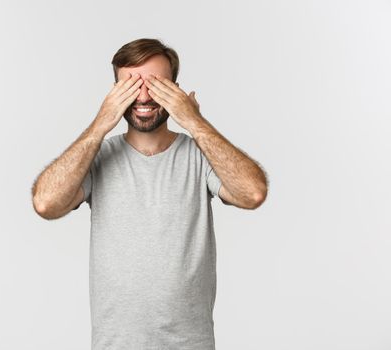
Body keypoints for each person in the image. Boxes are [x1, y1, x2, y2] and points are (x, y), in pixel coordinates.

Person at [31, 38, 268, 350]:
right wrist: (101, 123)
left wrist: (194, 122)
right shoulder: (97, 156)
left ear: (175, 90)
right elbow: (46, 203)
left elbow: (252, 193)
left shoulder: (199, 155)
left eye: (156, 85)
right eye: (130, 87)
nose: (143, 97)